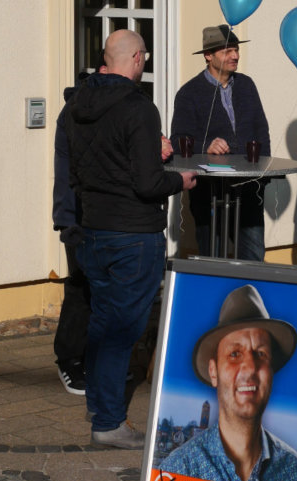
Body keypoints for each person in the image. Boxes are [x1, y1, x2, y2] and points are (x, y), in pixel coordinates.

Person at [64, 29, 197, 449]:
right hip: (132, 235)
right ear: (138, 58)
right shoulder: (139, 108)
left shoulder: (77, 104)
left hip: (92, 230)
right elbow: (147, 183)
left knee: (103, 324)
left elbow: (88, 165)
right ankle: (108, 422)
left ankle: (100, 404)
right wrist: (181, 179)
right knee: (122, 331)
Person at [159, 285, 297, 481]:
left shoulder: (293, 471)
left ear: (271, 372)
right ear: (214, 372)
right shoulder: (179, 471)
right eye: (234, 354)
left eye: (261, 353)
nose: (250, 367)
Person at [170, 25, 271, 261]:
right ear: (208, 56)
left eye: (235, 50)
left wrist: (262, 177)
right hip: (209, 189)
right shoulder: (189, 93)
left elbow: (261, 131)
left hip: (249, 186)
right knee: (212, 257)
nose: (235, 56)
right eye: (227, 51)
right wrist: (205, 147)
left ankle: (251, 297)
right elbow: (177, 141)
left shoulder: (247, 85)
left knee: (254, 255)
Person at [52, 63, 107, 396]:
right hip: (77, 213)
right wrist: (66, 219)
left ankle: (95, 359)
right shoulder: (75, 112)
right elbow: (66, 170)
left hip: (105, 214)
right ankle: (69, 359)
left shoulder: (115, 108)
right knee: (80, 287)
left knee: (101, 289)